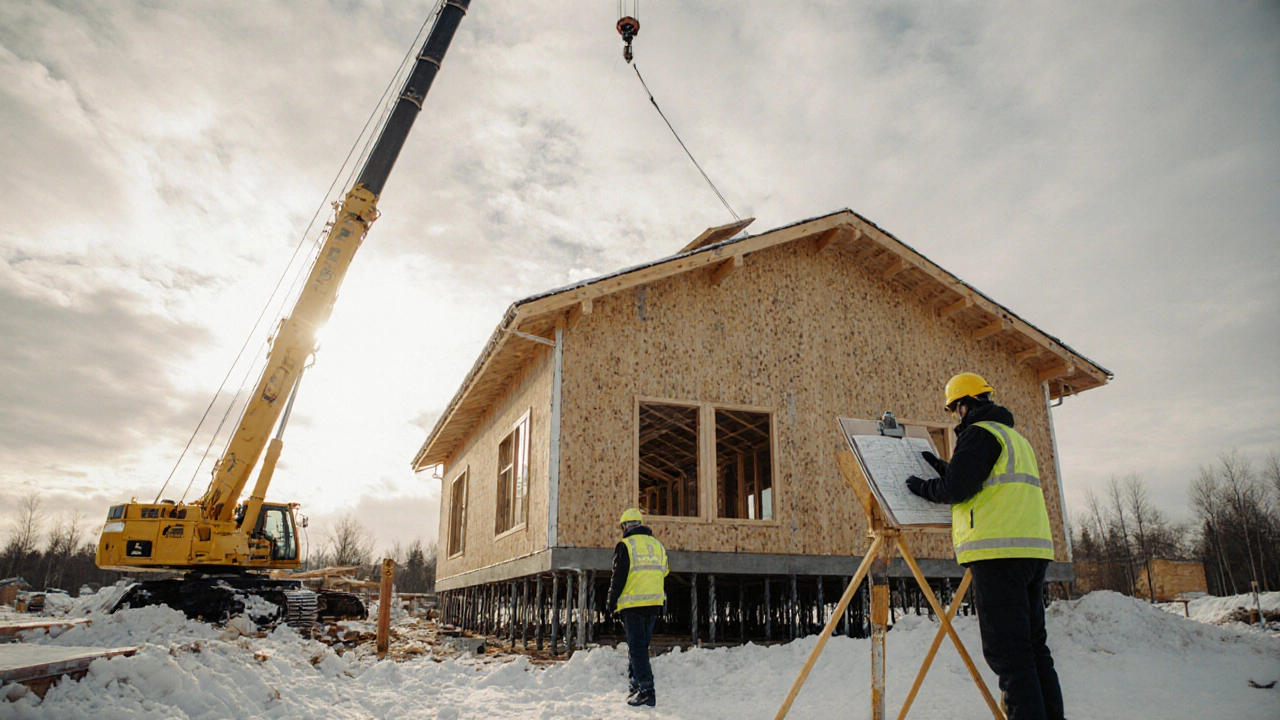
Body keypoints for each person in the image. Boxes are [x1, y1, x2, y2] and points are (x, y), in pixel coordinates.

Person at [905, 372, 1066, 720]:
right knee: (1034, 649)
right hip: (1031, 552)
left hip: (998, 555)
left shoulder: (979, 434)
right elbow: (982, 481)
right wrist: (946, 469)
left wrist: (922, 487)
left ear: (964, 405)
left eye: (955, 409)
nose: (956, 416)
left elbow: (958, 490)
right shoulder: (1012, 437)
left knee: (1009, 655)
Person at [605, 507, 669, 708]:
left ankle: (647, 690)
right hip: (654, 603)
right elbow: (665, 571)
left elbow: (619, 577)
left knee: (637, 648)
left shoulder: (625, 546)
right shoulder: (657, 546)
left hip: (633, 604)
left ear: (625, 527)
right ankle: (635, 683)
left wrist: (611, 601)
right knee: (640, 647)